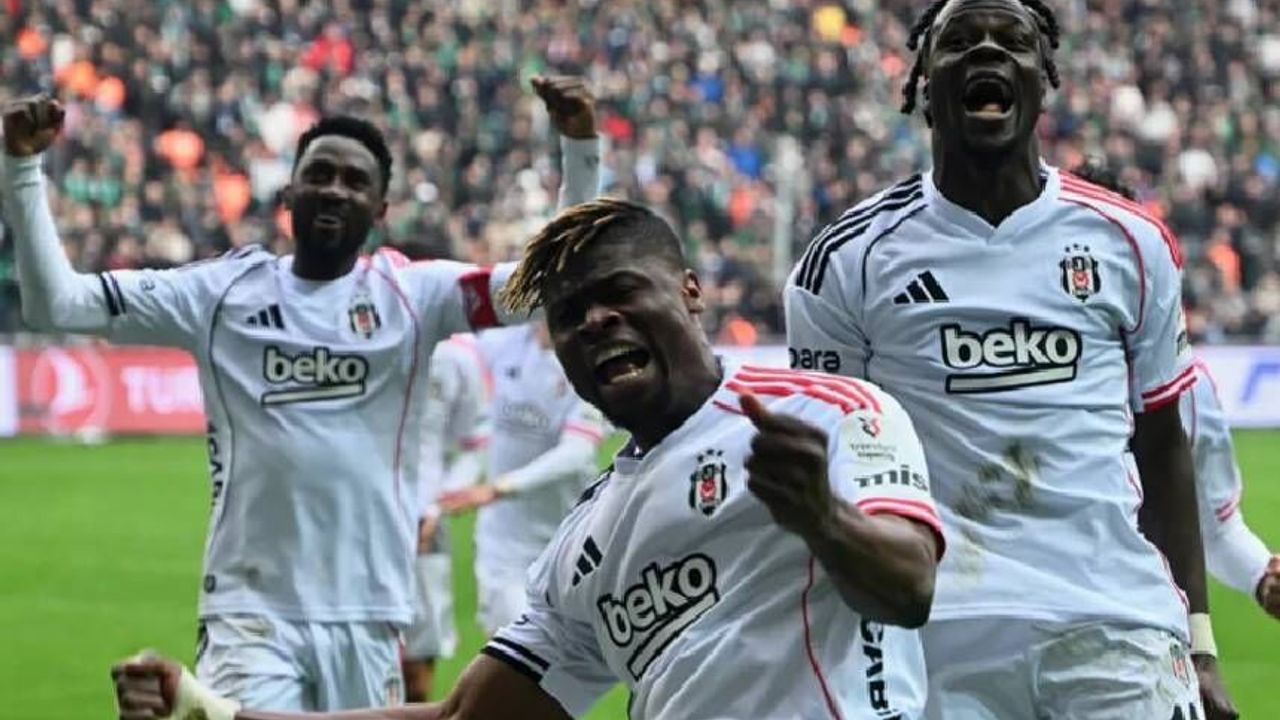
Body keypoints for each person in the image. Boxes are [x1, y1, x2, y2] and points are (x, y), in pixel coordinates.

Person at [112, 198, 944, 720]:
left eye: (621, 292)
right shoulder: (584, 546)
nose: (594, 322)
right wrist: (215, 712)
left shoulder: (827, 412)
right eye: (569, 314)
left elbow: (908, 590)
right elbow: (463, 719)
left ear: (690, 291)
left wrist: (822, 519)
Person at [2, 76, 601, 712]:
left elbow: (546, 285)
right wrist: (21, 167)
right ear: (288, 193)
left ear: (380, 210)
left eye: (355, 180)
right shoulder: (219, 294)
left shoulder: (414, 296)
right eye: (319, 174)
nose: (335, 189)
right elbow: (56, 303)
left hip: (370, 611)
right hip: (251, 613)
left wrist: (580, 151)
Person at [783, 1, 1234, 717]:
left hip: (1116, 625)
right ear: (923, 82)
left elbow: (1162, 446)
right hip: (937, 638)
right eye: (959, 40)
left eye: (1012, 41)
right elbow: (830, 475)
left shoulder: (1130, 242)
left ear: (1042, 78)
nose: (987, 51)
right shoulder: (846, 262)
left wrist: (1201, 644)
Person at [1069, 161, 1280, 621]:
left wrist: (1260, 577)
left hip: (1138, 625)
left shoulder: (1190, 385)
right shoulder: (1004, 367)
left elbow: (1217, 529)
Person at [436, 321, 607, 636]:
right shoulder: (502, 342)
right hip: (503, 542)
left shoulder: (590, 360)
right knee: (515, 644)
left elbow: (578, 451)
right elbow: (452, 349)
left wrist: (500, 487)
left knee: (572, 655)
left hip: (569, 537)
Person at [403, 334, 492, 702]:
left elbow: (476, 442)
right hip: (355, 523)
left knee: (417, 670)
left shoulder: (458, 355)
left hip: (424, 523)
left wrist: (438, 505)